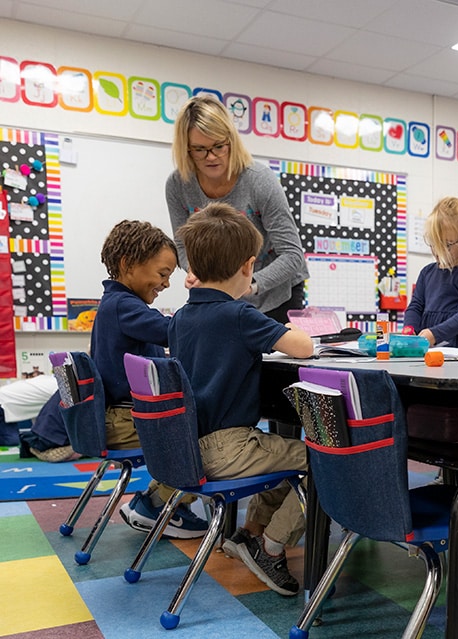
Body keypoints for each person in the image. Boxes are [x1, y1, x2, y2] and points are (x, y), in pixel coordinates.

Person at [169, 202, 314, 596]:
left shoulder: (180, 318)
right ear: (249, 267)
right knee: (322, 463)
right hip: (231, 448)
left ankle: (249, 533)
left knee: (282, 452)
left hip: (189, 447)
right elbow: (301, 346)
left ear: (192, 267)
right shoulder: (239, 315)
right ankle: (271, 546)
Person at [89, 221, 208, 539]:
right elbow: (170, 329)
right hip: (124, 419)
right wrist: (207, 314)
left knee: (190, 427)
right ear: (128, 265)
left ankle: (155, 502)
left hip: (119, 416)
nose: (167, 283)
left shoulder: (117, 305)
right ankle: (160, 506)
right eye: (163, 274)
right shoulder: (124, 306)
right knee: (205, 438)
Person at [166, 95, 308, 324]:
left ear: (231, 140)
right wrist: (195, 272)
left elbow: (293, 257)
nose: (211, 157)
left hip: (275, 298)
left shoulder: (259, 181)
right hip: (220, 297)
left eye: (219, 146)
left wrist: (246, 286)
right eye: (200, 149)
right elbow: (183, 244)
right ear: (186, 149)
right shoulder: (177, 186)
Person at [403, 196, 458, 349]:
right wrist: (410, 328)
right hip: (428, 344)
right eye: (433, 244)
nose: (437, 251)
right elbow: (415, 306)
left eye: (446, 245)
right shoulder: (427, 273)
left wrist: (435, 334)